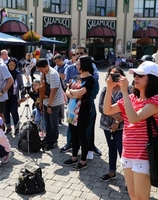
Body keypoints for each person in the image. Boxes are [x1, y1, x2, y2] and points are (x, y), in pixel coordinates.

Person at [103, 61, 158, 199]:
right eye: (135, 75)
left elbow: (134, 118)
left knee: (141, 197)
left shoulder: (155, 100)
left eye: (140, 75)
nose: (136, 78)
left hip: (144, 155)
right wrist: (109, 88)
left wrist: (124, 92)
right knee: (133, 195)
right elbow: (107, 110)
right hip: (127, 152)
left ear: (152, 79)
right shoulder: (132, 98)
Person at [99, 66, 131, 181]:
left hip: (122, 126)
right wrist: (113, 115)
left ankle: (129, 179)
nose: (114, 76)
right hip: (106, 125)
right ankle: (111, 171)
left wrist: (118, 121)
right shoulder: (106, 89)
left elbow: (131, 108)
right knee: (111, 148)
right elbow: (101, 107)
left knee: (123, 151)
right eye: (112, 74)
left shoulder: (128, 89)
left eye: (117, 74)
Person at [63, 56, 95, 170]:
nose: (76, 66)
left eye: (78, 64)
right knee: (73, 134)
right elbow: (67, 92)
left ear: (85, 65)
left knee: (82, 135)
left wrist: (71, 91)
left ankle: (83, 160)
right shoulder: (76, 77)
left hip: (82, 111)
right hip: (72, 110)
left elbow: (80, 93)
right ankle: (74, 157)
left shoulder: (90, 79)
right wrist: (74, 93)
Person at [37, 58, 64, 150]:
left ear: (46, 66)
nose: (40, 71)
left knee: (53, 122)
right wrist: (41, 102)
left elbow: (53, 91)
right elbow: (41, 88)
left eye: (41, 69)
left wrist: (49, 105)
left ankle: (54, 140)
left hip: (54, 102)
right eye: (39, 70)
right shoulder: (43, 73)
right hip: (46, 100)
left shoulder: (53, 74)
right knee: (47, 121)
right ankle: (48, 138)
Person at [4, 58, 25, 135]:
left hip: (14, 96)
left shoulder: (18, 74)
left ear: (15, 65)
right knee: (6, 112)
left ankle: (17, 127)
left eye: (13, 65)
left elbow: (21, 86)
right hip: (5, 96)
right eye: (10, 65)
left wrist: (22, 96)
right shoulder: (5, 73)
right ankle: (8, 127)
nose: (11, 66)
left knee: (14, 111)